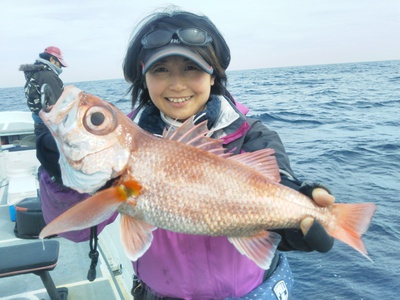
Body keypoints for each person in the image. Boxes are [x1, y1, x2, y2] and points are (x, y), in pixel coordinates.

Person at [36, 9, 335, 300]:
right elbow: (77, 232)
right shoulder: (123, 169)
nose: (177, 84)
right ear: (144, 77)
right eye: (161, 69)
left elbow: (278, 183)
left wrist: (298, 210)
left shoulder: (253, 135)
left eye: (191, 68)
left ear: (213, 76)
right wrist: (59, 174)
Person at [19, 46, 68, 137]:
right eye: (59, 63)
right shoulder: (48, 76)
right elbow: (57, 104)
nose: (60, 66)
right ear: (52, 60)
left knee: (45, 149)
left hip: (39, 123)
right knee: (53, 150)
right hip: (49, 125)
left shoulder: (35, 73)